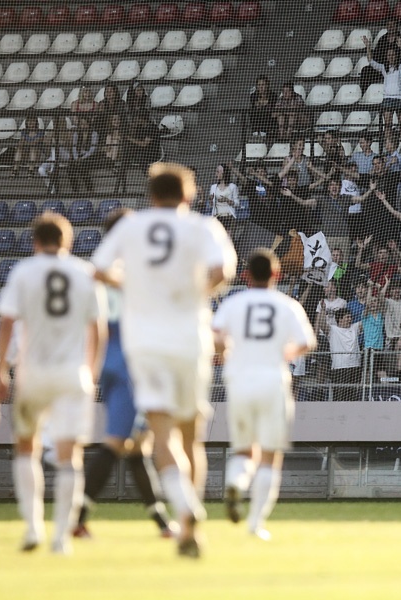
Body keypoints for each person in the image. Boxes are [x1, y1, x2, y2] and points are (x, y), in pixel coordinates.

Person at [91, 163, 237, 558]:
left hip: (145, 344)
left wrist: (134, 285)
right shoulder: (204, 226)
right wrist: (192, 293)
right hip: (190, 339)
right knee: (191, 436)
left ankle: (185, 508)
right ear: (189, 195)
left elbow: (99, 270)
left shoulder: (131, 226)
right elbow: (222, 270)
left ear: (151, 195)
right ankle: (190, 525)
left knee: (161, 435)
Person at [0, 213, 108, 554]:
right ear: (68, 241)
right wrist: (92, 372)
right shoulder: (85, 272)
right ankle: (61, 537)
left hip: (33, 373)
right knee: (69, 456)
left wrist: (1, 368)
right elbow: (98, 329)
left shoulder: (23, 271)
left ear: (35, 242)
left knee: (25, 448)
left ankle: (33, 529)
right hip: (73, 373)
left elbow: (6, 323)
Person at [75, 211, 174, 540]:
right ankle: (76, 518)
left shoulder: (95, 269)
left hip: (108, 358)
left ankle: (162, 522)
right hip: (131, 361)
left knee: (137, 446)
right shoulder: (137, 269)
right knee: (118, 441)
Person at [213, 250, 315, 540]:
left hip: (239, 381)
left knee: (244, 451)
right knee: (270, 455)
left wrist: (226, 353)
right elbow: (307, 342)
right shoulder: (287, 305)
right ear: (276, 275)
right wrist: (286, 353)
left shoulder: (233, 303)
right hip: (272, 381)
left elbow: (216, 336)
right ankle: (255, 524)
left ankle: (236, 483)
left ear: (246, 275)